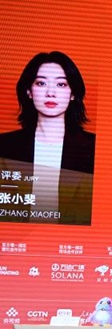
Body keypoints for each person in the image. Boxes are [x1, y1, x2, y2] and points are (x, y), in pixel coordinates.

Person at [0, 51, 94, 225]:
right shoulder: (4, 146)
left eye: (61, 84)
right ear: (29, 91)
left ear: (73, 94)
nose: (51, 93)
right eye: (41, 83)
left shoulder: (95, 148)